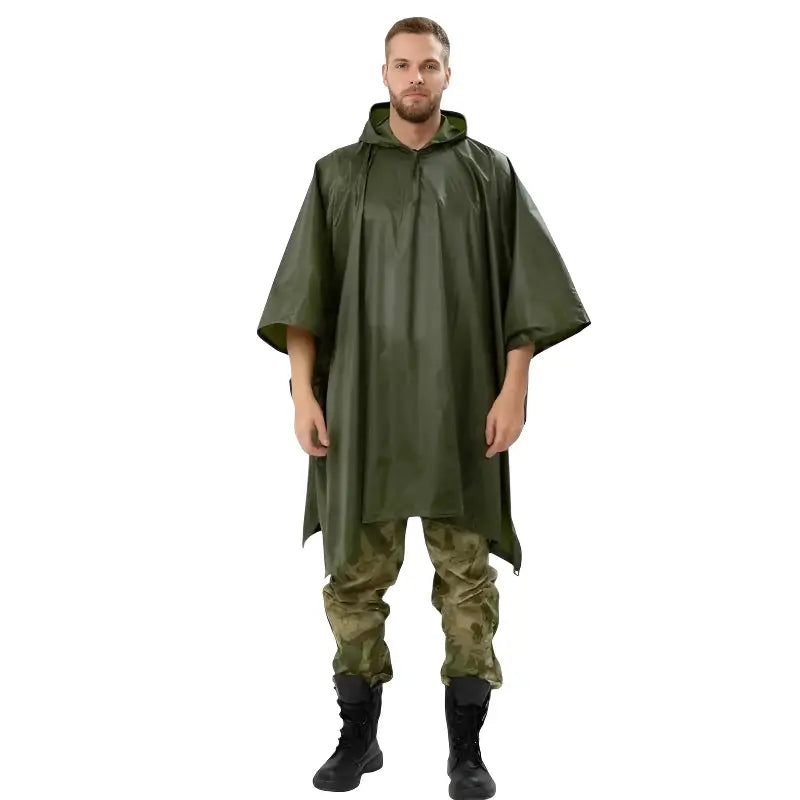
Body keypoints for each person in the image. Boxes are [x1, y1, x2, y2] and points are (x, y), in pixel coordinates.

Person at [255, 16, 591, 799]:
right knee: (353, 577)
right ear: (383, 74)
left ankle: (465, 749)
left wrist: (514, 388)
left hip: (460, 408)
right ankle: (359, 735)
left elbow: (526, 291)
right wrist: (303, 392)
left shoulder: (487, 174)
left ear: (447, 75)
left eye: (429, 65)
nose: (415, 77)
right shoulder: (338, 175)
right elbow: (305, 294)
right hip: (359, 408)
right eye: (403, 65)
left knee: (468, 581)